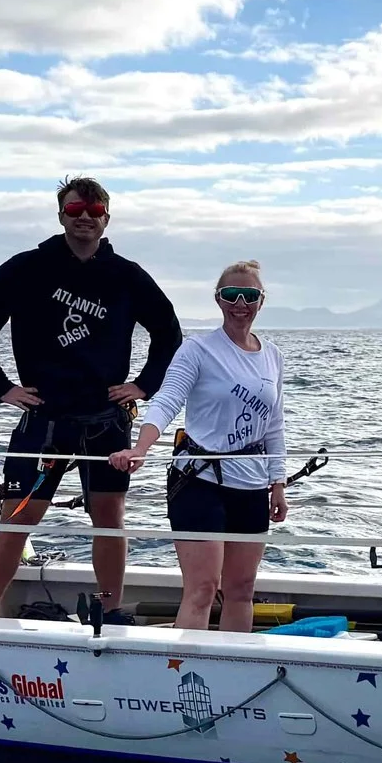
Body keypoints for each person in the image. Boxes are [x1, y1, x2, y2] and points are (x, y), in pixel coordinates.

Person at [0, 178, 182, 620]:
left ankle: (110, 612)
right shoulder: (26, 268)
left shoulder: (126, 275)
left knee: (109, 518)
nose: (84, 217)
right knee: (17, 518)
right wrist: (1, 387)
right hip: (46, 417)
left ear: (106, 218)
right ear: (61, 215)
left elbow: (168, 331)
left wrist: (144, 384)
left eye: (94, 210)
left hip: (107, 419)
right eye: (75, 209)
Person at [119, 261, 287, 633]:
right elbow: (167, 400)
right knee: (202, 588)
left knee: (241, 589)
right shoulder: (197, 350)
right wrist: (141, 446)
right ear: (218, 299)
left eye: (250, 295)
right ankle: (184, 674)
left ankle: (234, 670)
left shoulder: (273, 356)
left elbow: (274, 425)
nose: (240, 303)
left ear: (262, 301)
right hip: (198, 481)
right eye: (231, 294)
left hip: (253, 483)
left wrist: (279, 483)